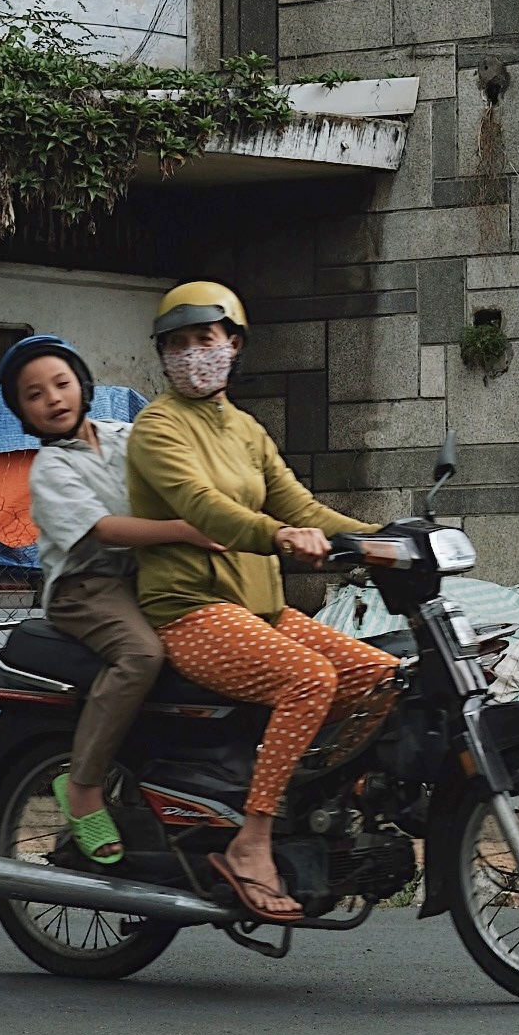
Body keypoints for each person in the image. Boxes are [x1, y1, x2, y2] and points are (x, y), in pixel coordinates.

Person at [126, 279, 397, 922]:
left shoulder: (246, 430)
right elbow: (203, 507)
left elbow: (299, 505)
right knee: (309, 679)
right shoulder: (156, 428)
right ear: (164, 354)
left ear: (234, 345)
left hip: (259, 611)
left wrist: (386, 539)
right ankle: (252, 842)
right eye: (180, 343)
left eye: (207, 339)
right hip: (192, 610)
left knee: (380, 676)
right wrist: (277, 536)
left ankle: (313, 810)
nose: (195, 353)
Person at [0, 331, 225, 868]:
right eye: (35, 394)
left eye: (61, 383)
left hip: (145, 577)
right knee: (141, 655)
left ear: (83, 385)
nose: (53, 398)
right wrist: (183, 531)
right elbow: (103, 529)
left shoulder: (127, 436)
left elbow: (181, 464)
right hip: (86, 588)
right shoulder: (50, 469)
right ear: (24, 413)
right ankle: (82, 787)